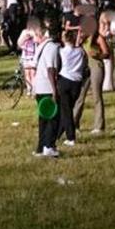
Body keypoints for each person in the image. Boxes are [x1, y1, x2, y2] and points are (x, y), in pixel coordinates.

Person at [72, 17, 108, 137]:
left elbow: (107, 53)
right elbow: (75, 49)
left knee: (97, 96)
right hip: (85, 68)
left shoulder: (98, 38)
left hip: (96, 66)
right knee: (80, 95)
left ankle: (99, 125)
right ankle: (74, 124)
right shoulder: (83, 39)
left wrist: (98, 55)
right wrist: (79, 36)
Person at [31, 20, 61, 158]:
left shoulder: (40, 47)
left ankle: (40, 147)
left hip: (39, 86)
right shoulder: (52, 47)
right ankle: (48, 146)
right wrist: (55, 91)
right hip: (47, 86)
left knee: (43, 118)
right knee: (53, 118)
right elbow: (50, 69)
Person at [56, 29, 86, 147]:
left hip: (64, 80)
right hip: (77, 82)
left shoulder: (61, 51)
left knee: (66, 111)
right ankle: (58, 133)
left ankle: (71, 137)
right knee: (68, 109)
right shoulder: (80, 51)